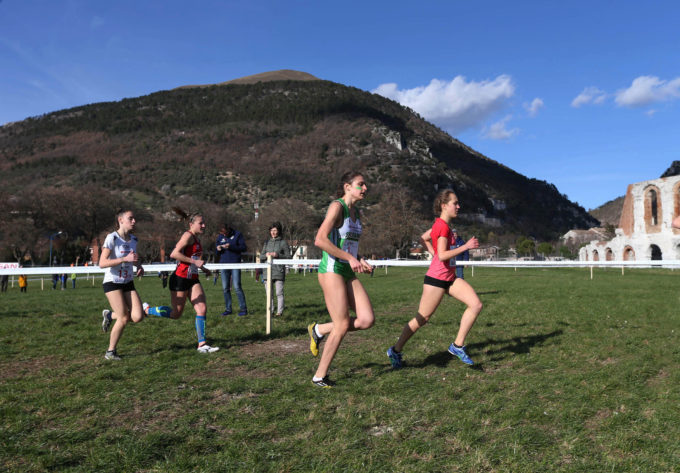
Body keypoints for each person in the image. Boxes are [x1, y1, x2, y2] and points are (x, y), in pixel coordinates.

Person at [386, 189, 483, 369]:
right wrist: (466, 247)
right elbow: (444, 255)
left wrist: (434, 253)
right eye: (455, 203)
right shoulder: (442, 226)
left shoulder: (442, 225)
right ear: (444, 206)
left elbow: (424, 239)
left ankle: (457, 346)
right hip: (436, 279)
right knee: (422, 318)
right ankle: (395, 350)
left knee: (476, 304)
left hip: (450, 278)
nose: (459, 206)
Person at [307, 171, 374, 388]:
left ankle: (319, 330)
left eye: (365, 185)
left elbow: (350, 246)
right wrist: (348, 258)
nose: (365, 189)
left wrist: (360, 260)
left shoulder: (358, 213)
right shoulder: (338, 207)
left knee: (366, 319)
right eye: (360, 185)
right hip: (331, 269)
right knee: (343, 323)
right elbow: (320, 240)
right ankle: (320, 376)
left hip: (347, 270)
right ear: (347, 186)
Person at [99, 209, 172, 361]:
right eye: (130, 218)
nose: (134, 221)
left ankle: (109, 315)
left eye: (134, 219)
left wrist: (138, 266)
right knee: (124, 318)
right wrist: (124, 260)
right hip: (112, 282)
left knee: (138, 317)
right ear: (120, 220)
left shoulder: (134, 240)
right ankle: (110, 352)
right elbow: (102, 263)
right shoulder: (112, 238)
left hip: (128, 282)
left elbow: (133, 257)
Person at [164, 211, 219, 353]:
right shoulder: (187, 235)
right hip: (180, 279)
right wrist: (195, 261)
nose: (204, 225)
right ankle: (147, 309)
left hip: (193, 279)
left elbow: (194, 261)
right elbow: (174, 254)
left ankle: (202, 345)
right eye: (201, 223)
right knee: (176, 314)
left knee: (202, 308)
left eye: (204, 222)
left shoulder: (196, 238)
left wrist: (204, 269)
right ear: (191, 224)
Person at [260, 221, 291, 317]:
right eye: (271, 230)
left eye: (275, 230)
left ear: (279, 231)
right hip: (267, 272)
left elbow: (288, 257)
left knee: (279, 292)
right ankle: (271, 311)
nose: (273, 232)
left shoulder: (283, 243)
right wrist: (265, 255)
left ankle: (279, 312)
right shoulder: (266, 242)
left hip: (279, 271)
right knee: (269, 294)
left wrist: (277, 255)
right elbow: (261, 256)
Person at [216, 224, 248, 316]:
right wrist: (218, 249)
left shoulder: (238, 234)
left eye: (225, 233)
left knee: (237, 287)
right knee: (225, 288)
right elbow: (217, 250)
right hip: (224, 265)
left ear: (228, 230)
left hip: (235, 264)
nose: (224, 235)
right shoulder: (220, 236)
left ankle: (243, 309)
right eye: (222, 234)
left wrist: (231, 247)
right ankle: (228, 309)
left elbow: (243, 248)